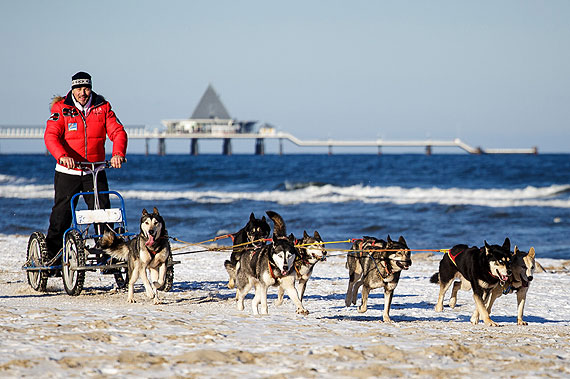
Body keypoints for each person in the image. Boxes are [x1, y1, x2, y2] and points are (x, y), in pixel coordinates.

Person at [44, 71, 128, 259]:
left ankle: (106, 256)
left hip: (95, 171)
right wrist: (62, 155)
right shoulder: (61, 109)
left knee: (104, 215)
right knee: (61, 217)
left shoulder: (103, 107)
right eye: (79, 89)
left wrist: (118, 154)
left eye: (86, 88)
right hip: (68, 171)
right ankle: (52, 258)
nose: (83, 93)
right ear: (73, 89)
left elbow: (118, 132)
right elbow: (51, 136)